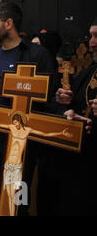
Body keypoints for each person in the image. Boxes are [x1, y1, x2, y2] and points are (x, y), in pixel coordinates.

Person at [0, 2, 56, 212]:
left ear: (8, 23)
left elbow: (48, 98)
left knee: (18, 190)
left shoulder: (37, 54)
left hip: (20, 138)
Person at [43, 20, 97, 215]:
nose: (91, 43)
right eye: (91, 36)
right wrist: (64, 106)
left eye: (96, 36)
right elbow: (67, 104)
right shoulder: (88, 72)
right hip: (81, 161)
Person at [0, 111, 72, 216]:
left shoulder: (27, 130)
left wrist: (61, 133)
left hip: (19, 165)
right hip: (9, 164)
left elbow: (44, 133)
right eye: (14, 122)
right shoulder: (11, 128)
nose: (15, 124)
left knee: (20, 193)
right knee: (6, 194)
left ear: (20, 121)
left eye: (16, 122)